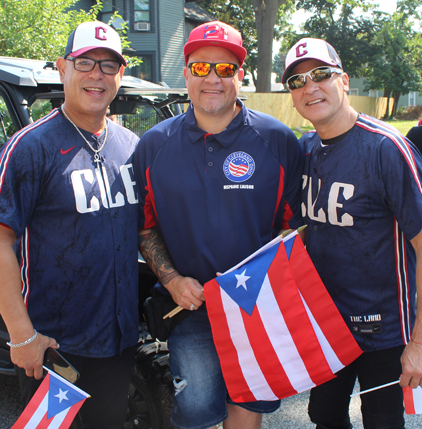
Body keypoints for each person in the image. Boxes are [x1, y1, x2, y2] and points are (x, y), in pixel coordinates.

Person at [135, 21, 303, 429]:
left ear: (240, 76)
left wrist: (258, 275)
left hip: (257, 306)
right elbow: (143, 227)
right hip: (190, 309)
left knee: (246, 404)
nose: (212, 78)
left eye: (225, 69)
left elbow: (296, 228)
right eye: (201, 68)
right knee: (194, 414)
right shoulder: (153, 146)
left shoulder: (278, 141)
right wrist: (172, 279)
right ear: (186, 73)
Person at [0, 21, 140, 428]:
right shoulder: (31, 147)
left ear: (120, 75)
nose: (96, 75)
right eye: (85, 62)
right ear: (62, 68)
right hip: (54, 348)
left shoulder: (131, 146)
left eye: (108, 65)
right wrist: (22, 336)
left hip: (118, 344)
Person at [283, 37, 422, 429]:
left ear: (344, 80)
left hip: (385, 332)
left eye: (321, 74)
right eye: (296, 81)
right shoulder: (304, 150)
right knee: (324, 416)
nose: (310, 87)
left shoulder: (387, 148)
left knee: (382, 423)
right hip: (326, 327)